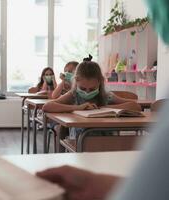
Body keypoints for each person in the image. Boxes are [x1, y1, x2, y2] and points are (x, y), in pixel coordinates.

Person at [37, 1, 169, 199]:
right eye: (84, 88)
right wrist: (78, 107)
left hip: (108, 144)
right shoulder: (74, 95)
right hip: (80, 144)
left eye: (93, 88)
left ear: (100, 83)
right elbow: (48, 105)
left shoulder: (104, 95)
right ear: (76, 83)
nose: (88, 91)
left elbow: (134, 106)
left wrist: (110, 105)